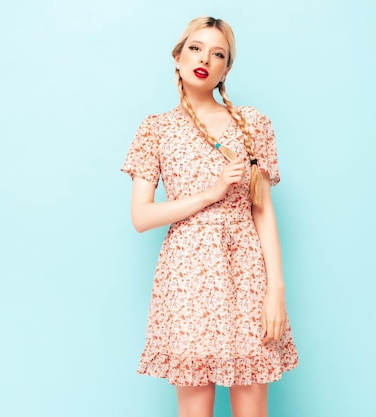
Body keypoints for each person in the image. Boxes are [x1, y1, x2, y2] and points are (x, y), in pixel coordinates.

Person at [120, 16, 299, 417]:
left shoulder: (252, 124)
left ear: (226, 69)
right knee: (195, 407)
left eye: (218, 54)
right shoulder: (156, 130)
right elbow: (141, 216)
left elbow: (263, 209)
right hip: (187, 276)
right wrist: (212, 193)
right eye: (196, 48)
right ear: (178, 58)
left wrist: (277, 291)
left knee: (252, 404)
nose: (205, 59)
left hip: (246, 271)